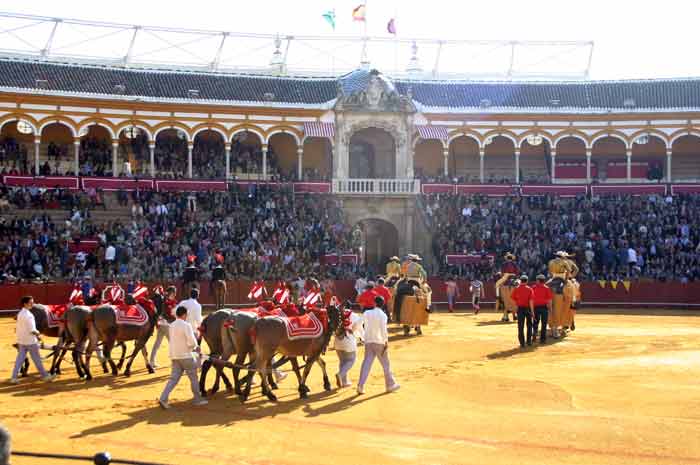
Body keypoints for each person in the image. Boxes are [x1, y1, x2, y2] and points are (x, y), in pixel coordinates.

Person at [158, 306, 208, 409]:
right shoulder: (186, 325)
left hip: (174, 355)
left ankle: (163, 398)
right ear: (184, 314)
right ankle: (197, 399)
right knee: (193, 377)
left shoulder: (171, 325)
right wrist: (196, 348)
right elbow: (191, 342)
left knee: (173, 379)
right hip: (186, 356)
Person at [357, 296, 400, 395]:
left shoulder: (367, 313)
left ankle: (360, 386)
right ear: (383, 304)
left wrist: (362, 336)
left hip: (368, 342)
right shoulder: (383, 316)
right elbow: (383, 330)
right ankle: (390, 385)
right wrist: (386, 341)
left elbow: (358, 323)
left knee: (366, 364)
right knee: (386, 364)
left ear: (374, 303)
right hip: (379, 342)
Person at [10, 296, 55, 384]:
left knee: (19, 360)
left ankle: (14, 378)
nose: (32, 304)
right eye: (30, 302)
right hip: (30, 341)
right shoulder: (29, 315)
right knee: (37, 359)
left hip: (21, 340)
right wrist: (39, 335)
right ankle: (45, 376)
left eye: (32, 302)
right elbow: (32, 330)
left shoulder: (20, 313)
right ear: (25, 304)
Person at [333, 306, 363, 388]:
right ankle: (340, 374)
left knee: (342, 361)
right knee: (351, 360)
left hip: (337, 340)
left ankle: (344, 381)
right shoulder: (355, 315)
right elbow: (358, 327)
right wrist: (362, 338)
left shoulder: (337, 314)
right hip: (348, 340)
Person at [149, 286, 178, 368]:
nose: (175, 294)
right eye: (175, 292)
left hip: (160, 323)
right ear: (172, 292)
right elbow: (168, 314)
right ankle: (175, 362)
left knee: (157, 343)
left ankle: (151, 361)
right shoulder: (167, 301)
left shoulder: (163, 299)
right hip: (167, 325)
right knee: (173, 344)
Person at [510, 275, 534, 348]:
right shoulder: (530, 289)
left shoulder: (516, 289)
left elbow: (513, 299)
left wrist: (516, 307)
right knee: (529, 325)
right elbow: (531, 301)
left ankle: (522, 343)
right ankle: (529, 341)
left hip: (520, 309)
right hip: (528, 309)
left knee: (520, 326)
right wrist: (532, 311)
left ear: (521, 281)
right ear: (527, 281)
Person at [531, 275, 553, 343]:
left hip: (535, 308)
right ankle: (542, 339)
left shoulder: (533, 287)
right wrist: (550, 309)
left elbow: (530, 299)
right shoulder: (547, 288)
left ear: (538, 280)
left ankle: (534, 335)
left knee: (535, 323)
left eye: (536, 280)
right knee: (544, 324)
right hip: (544, 308)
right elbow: (549, 300)